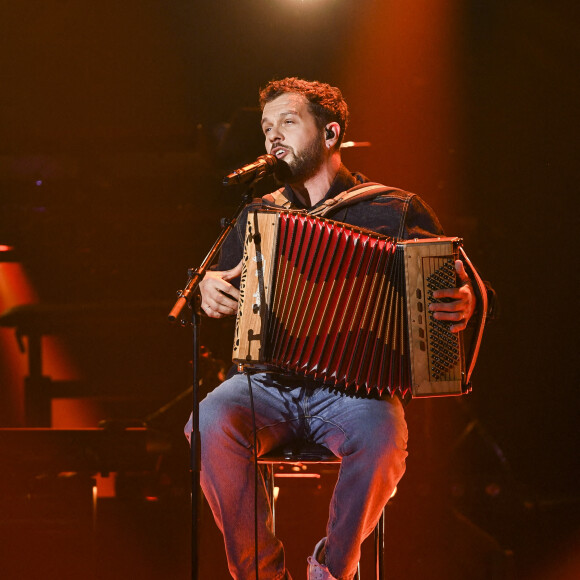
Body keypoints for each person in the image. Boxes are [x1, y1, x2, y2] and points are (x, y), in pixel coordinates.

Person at [185, 77, 487, 580]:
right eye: (266, 128)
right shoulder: (259, 213)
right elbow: (216, 282)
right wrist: (208, 289)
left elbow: (457, 275)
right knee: (207, 422)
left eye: (287, 122)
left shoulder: (394, 208)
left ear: (329, 133)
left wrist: (469, 297)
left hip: (355, 392)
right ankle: (260, 574)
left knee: (384, 435)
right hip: (268, 384)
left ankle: (332, 570)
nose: (273, 137)